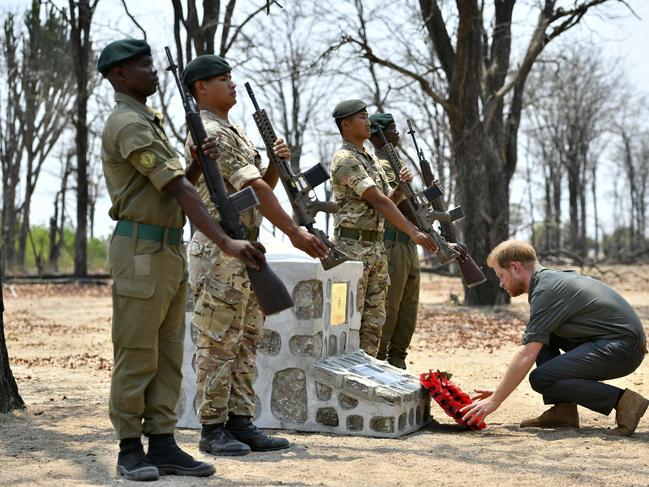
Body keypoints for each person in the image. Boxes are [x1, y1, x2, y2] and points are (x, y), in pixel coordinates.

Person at [99, 40, 268, 481]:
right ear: (118, 76)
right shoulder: (127, 122)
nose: (152, 71)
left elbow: (175, 183)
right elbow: (177, 190)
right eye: (142, 65)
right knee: (137, 352)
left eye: (152, 63)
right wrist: (227, 242)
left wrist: (194, 163)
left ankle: (164, 443)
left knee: (169, 353)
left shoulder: (148, 120)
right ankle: (129, 449)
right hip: (140, 250)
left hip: (167, 246)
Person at [181, 55, 329, 457]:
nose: (232, 84)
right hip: (219, 250)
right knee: (217, 341)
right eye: (223, 79)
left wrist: (275, 164)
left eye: (232, 78)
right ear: (200, 88)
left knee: (247, 338)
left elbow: (261, 185)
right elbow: (259, 193)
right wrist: (296, 233)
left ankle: (241, 422)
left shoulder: (234, 131)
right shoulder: (210, 132)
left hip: (245, 246)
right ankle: (212, 429)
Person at [461, 240, 648, 436]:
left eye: (501, 275)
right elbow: (534, 346)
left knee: (541, 378)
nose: (500, 283)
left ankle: (625, 402)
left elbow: (527, 353)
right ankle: (563, 411)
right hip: (615, 342)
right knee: (544, 337)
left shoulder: (546, 291)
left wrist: (496, 399)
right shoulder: (547, 282)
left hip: (623, 347)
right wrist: (501, 389)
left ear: (515, 267)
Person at [330, 100, 438, 357]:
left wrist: (400, 188)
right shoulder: (346, 159)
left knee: (375, 321)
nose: (368, 122)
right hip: (353, 247)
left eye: (368, 116)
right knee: (350, 317)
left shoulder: (370, 159)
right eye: (362, 117)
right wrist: (414, 232)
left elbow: (386, 199)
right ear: (346, 124)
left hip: (375, 247)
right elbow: (376, 200)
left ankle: (370, 373)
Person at [368, 113, 421, 369]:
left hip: (408, 243)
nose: (397, 132)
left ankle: (398, 358)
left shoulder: (394, 161)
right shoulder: (379, 164)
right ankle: (380, 359)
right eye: (391, 129)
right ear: (378, 135)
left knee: (408, 307)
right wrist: (422, 226)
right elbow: (399, 204)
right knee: (391, 306)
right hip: (394, 242)